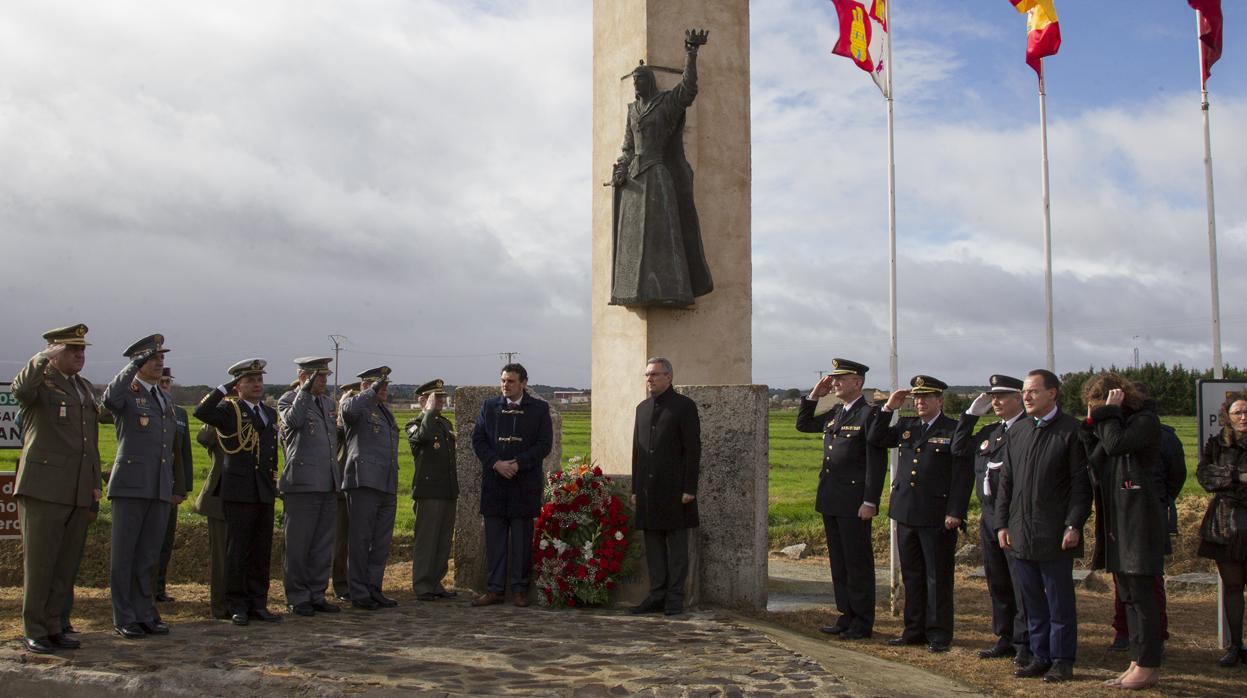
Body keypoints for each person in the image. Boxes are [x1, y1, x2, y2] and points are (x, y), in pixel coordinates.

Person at [11, 324, 101, 654]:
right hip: (44, 488)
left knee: (65, 565)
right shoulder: (40, 383)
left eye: (82, 350)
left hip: (77, 488)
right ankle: (33, 628)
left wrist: (94, 483)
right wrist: (40, 359)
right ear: (53, 352)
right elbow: (21, 391)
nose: (80, 355)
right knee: (41, 564)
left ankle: (53, 625)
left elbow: (89, 441)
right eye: (71, 349)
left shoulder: (84, 387)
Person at [996, 369, 1091, 683]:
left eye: (1033, 391)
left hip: (1054, 533)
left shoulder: (1071, 431)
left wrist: (1073, 524)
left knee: (1058, 602)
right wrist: (1002, 524)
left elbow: (1081, 485)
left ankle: (1062, 659)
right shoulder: (1018, 431)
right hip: (1019, 531)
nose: (1026, 397)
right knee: (1032, 601)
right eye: (1025, 391)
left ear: (1053, 393)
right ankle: (1040, 655)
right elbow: (1006, 483)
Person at [867, 375, 973, 653]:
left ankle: (938, 633)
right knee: (912, 575)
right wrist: (888, 408)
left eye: (926, 397)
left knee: (937, 576)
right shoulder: (907, 426)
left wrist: (956, 511)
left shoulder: (954, 428)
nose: (920, 402)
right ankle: (913, 629)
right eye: (917, 398)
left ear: (940, 400)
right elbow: (876, 438)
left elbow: (962, 476)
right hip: (906, 511)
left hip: (937, 514)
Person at [608, 29, 713, 308]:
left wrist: (691, 53)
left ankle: (670, 289)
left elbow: (688, 90)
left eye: (640, 81)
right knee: (632, 243)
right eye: (634, 82)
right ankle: (632, 291)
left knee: (663, 238)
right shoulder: (633, 111)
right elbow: (628, 147)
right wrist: (620, 168)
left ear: (649, 82)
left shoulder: (666, 103)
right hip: (634, 181)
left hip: (657, 174)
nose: (636, 86)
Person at [1079, 373, 1167, 690]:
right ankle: (1136, 659)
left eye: (1099, 405)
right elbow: (1094, 456)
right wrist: (1092, 422)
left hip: (1139, 520)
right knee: (1128, 596)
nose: (1097, 412)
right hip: (1119, 518)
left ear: (1118, 397)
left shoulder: (1145, 421)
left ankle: (1148, 664)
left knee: (1143, 598)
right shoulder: (1112, 422)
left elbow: (1115, 445)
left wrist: (1107, 414)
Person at [103, 334, 185, 639]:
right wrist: (131, 369)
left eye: (161, 357)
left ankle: (145, 611)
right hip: (131, 485)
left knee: (149, 555)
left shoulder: (164, 397)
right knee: (125, 555)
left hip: (158, 486)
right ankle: (124, 616)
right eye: (152, 358)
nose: (159, 362)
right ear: (137, 362)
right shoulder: (128, 391)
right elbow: (110, 399)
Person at [795, 358, 883, 639]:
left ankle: (862, 621)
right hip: (832, 498)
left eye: (840, 379)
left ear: (857, 382)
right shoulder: (836, 412)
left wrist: (870, 501)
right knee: (839, 563)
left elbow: (875, 462)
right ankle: (846, 614)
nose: (834, 383)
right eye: (833, 379)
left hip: (855, 501)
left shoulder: (869, 415)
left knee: (857, 563)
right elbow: (804, 424)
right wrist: (813, 396)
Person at [194, 359, 282, 626]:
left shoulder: (268, 412)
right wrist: (223, 389)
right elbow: (202, 411)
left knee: (260, 550)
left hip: (263, 488)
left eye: (259, 380)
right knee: (237, 550)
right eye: (249, 380)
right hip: (239, 488)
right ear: (238, 385)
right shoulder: (229, 409)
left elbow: (270, 451)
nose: (256, 384)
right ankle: (237, 604)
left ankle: (258, 602)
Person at [952, 375, 1030, 664]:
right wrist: (971, 415)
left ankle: (1025, 641)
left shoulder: (1027, 429)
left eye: (1002, 396)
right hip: (988, 513)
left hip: (1013, 515)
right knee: (997, 578)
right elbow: (958, 448)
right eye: (992, 397)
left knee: (1019, 581)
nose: (995, 402)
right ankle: (1005, 636)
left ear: (1019, 397)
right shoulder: (991, 432)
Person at [1104, 382, 1183, 653]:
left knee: (1148, 583)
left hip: (1148, 513)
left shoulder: (1161, 435)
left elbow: (1177, 476)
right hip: (1123, 513)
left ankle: (1154, 636)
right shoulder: (1118, 430)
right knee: (1123, 581)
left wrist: (1157, 500)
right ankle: (1126, 631)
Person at [471, 363, 553, 607]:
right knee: (494, 542)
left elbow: (544, 444)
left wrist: (518, 463)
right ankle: (495, 589)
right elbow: (478, 440)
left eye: (511, 381)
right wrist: (496, 463)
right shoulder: (489, 407)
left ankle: (519, 589)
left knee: (521, 543)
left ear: (524, 383)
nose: (505, 385)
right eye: (503, 381)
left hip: (523, 484)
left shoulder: (539, 408)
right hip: (495, 483)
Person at [630, 357, 701, 617]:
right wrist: (636, 489)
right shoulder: (642, 408)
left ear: (669, 377)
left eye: (655, 374)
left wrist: (689, 488)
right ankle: (656, 594)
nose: (650, 379)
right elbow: (638, 453)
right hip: (648, 490)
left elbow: (693, 450)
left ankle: (675, 598)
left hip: (676, 490)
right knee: (653, 546)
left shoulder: (684, 406)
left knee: (677, 547)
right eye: (647, 375)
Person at [277, 357, 343, 616]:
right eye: (320, 377)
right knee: (298, 544)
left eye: (326, 377)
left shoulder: (327, 403)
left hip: (327, 482)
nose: (325, 381)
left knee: (322, 543)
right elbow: (293, 422)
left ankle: (317, 593)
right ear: (304, 377)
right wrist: (303, 392)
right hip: (302, 483)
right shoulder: (287, 399)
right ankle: (296, 595)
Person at [340, 366, 401, 610]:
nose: (384, 389)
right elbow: (348, 412)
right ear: (365, 385)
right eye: (379, 385)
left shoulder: (384, 410)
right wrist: (369, 391)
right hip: (364, 480)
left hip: (386, 481)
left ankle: (374, 586)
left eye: (385, 385)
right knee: (361, 539)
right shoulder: (358, 405)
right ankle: (358, 590)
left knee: (381, 541)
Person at [1197, 391, 1247, 668]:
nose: (1243, 417)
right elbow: (1205, 476)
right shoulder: (1217, 443)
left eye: (1246, 412)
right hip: (1224, 524)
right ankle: (1235, 646)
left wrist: (1226, 479)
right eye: (1238, 412)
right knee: (1232, 586)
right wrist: (1238, 476)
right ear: (1228, 416)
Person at [405, 379, 459, 601]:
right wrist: (427, 411)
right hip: (429, 491)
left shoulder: (445, 424)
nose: (440, 401)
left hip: (447, 489)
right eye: (435, 398)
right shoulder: (415, 424)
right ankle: (423, 584)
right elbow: (424, 437)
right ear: (423, 400)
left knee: (443, 541)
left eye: (442, 397)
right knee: (427, 541)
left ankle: (436, 581)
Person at [153, 367, 193, 604]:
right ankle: (146, 589)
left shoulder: (179, 413)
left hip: (171, 485)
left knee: (166, 540)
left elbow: (184, 452)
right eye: (161, 381)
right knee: (150, 540)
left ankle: (159, 587)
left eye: (167, 381)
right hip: (150, 484)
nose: (164, 385)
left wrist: (183, 486)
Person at [192, 422, 230, 619]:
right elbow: (203, 438)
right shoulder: (219, 418)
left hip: (247, 494)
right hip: (220, 495)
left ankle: (240, 602)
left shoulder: (254, 415)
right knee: (221, 557)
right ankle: (221, 606)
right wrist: (217, 410)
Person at [330, 380, 360, 601]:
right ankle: (341, 584)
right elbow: (337, 435)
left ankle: (354, 580)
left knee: (356, 538)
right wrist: (341, 412)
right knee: (340, 540)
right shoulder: (338, 427)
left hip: (360, 484)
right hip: (342, 485)